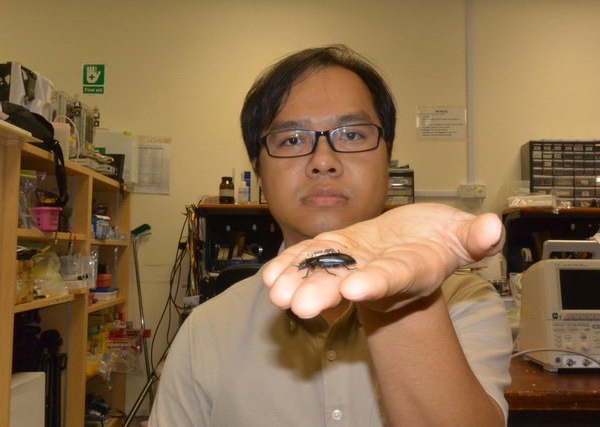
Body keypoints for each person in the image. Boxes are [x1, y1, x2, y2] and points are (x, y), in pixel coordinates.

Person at [149, 45, 512, 426]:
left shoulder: (466, 303)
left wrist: (404, 304)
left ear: (387, 161)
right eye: (292, 139)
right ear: (259, 172)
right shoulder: (204, 332)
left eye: (352, 134)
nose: (323, 161)